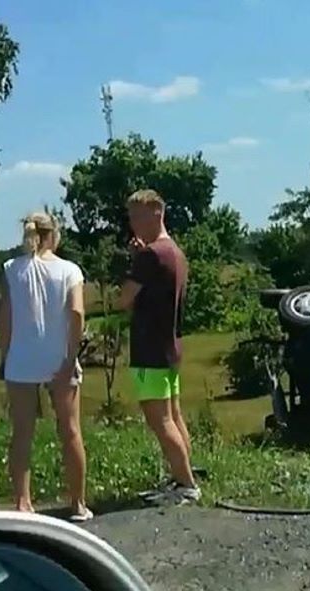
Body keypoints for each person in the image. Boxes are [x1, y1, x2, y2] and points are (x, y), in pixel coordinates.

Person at [0, 212, 91, 521]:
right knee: (70, 430)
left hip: (22, 359)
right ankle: (77, 503)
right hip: (58, 358)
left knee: (22, 433)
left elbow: (5, 319)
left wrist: (5, 358)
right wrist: (71, 358)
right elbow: (76, 313)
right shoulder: (70, 270)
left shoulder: (12, 269)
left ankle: (23, 502)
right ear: (54, 235)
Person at [117, 190, 200, 504]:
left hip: (149, 348)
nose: (133, 223)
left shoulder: (150, 256)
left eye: (138, 216)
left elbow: (125, 299)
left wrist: (136, 262)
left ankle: (186, 485)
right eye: (131, 217)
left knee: (159, 419)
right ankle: (182, 477)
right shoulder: (175, 252)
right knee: (174, 416)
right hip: (170, 345)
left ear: (157, 212)